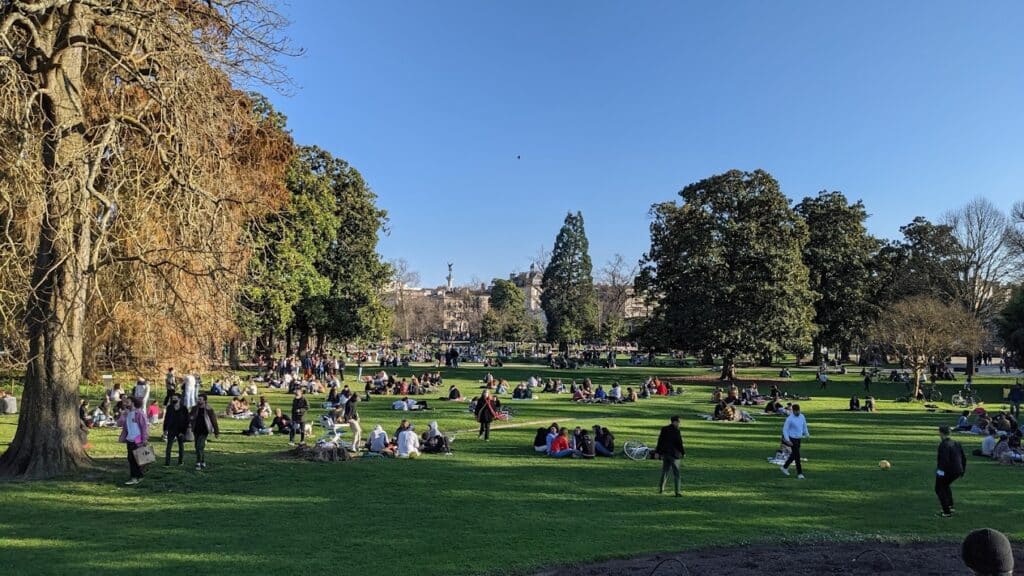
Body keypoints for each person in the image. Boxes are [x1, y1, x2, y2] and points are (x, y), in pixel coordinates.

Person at [935, 425, 967, 517]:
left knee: (939, 488)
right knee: (945, 486)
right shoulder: (956, 443)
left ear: (941, 433)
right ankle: (950, 505)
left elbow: (943, 460)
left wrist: (940, 472)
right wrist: (962, 470)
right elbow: (963, 458)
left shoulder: (943, 444)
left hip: (948, 470)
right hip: (958, 470)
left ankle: (946, 511)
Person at [117, 397, 149, 485]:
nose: (126, 403)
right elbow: (119, 423)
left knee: (138, 458)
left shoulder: (139, 413)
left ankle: (136, 477)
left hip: (138, 438)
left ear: (133, 402)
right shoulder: (127, 413)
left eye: (128, 401)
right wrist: (122, 415)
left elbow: (144, 427)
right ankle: (136, 476)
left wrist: (144, 439)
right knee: (131, 458)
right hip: (130, 439)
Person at [655, 416, 685, 496]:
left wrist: (657, 452)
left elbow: (660, 441)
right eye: (678, 422)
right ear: (674, 422)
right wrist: (683, 452)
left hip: (665, 454)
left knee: (665, 472)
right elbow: (679, 443)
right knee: (677, 474)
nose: (679, 423)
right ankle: (677, 491)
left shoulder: (664, 429)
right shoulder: (676, 431)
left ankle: (661, 489)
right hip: (674, 455)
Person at [189, 394, 220, 470]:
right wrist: (191, 418)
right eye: (198, 399)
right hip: (196, 429)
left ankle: (198, 462)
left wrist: (216, 432)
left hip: (204, 430)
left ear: (205, 400)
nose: (198, 400)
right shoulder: (194, 408)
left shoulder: (209, 409)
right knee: (197, 446)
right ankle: (202, 461)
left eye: (200, 399)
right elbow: (189, 417)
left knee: (200, 446)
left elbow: (214, 421)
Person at [780, 404, 809, 479]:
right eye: (796, 411)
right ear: (793, 411)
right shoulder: (789, 419)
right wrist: (787, 440)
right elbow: (785, 430)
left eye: (799, 411)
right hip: (792, 439)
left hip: (798, 438)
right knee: (797, 456)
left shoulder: (802, 416)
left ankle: (784, 467)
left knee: (794, 455)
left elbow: (804, 426)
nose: (798, 412)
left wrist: (806, 434)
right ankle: (800, 474)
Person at [163, 395, 189, 466]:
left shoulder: (184, 408)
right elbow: (166, 419)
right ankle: (167, 462)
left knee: (181, 446)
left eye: (175, 398)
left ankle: (180, 461)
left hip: (180, 430)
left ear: (179, 399)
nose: (173, 400)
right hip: (171, 429)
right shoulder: (170, 408)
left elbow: (187, 420)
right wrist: (165, 429)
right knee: (169, 446)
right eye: (172, 398)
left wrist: (183, 431)